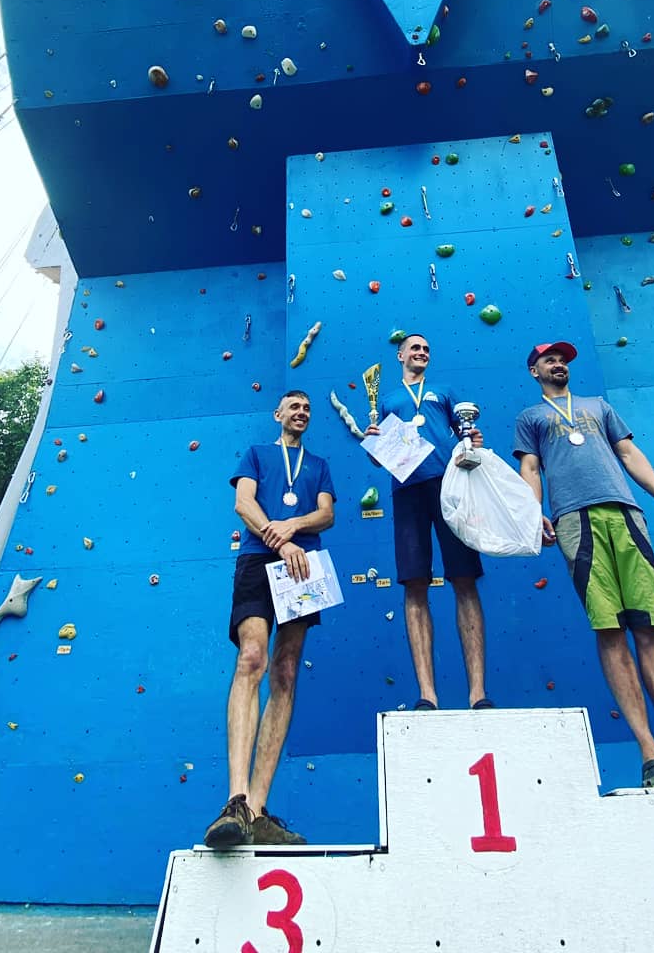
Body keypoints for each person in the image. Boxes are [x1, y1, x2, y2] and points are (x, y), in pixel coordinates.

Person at [513, 341, 654, 788]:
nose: (559, 364)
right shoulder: (530, 418)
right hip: (575, 521)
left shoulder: (598, 406)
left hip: (626, 514)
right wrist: (532, 512)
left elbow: (629, 453)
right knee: (609, 628)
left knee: (649, 626)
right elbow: (531, 469)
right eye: (550, 360)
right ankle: (651, 755)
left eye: (563, 359)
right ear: (535, 371)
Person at [203, 390, 336, 848]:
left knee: (285, 671)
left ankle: (258, 810)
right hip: (261, 560)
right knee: (253, 658)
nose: (300, 413)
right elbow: (244, 503)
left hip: (304, 567)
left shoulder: (318, 464)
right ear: (278, 415)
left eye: (306, 409)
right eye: (292, 407)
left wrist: (295, 528)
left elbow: (326, 513)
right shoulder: (257, 454)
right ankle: (235, 800)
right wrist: (279, 542)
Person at [365, 333, 491, 711]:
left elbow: (466, 434)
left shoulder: (444, 392)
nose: (421, 352)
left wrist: (474, 439)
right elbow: (378, 459)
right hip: (408, 492)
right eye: (415, 348)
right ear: (401, 355)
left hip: (452, 487)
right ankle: (427, 694)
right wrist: (374, 443)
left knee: (465, 581)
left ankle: (478, 693)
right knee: (414, 584)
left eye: (426, 348)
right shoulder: (386, 400)